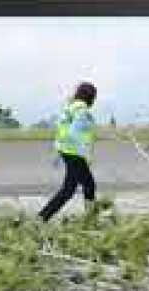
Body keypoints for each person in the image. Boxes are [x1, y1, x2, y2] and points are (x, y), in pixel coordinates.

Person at [39, 82, 98, 221]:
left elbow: (61, 132)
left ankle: (43, 217)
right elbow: (74, 133)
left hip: (67, 152)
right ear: (90, 97)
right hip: (75, 153)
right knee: (78, 188)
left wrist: (59, 154)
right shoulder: (82, 110)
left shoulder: (70, 108)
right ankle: (42, 218)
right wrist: (86, 154)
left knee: (79, 187)